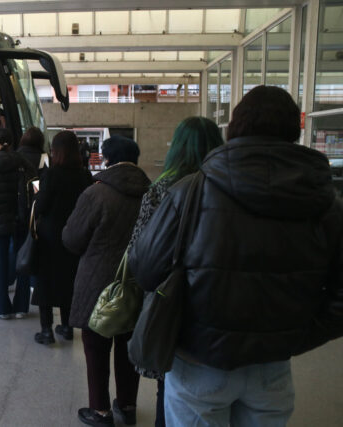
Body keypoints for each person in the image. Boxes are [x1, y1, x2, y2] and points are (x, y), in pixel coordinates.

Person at [129, 86, 343, 427]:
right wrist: (297, 337)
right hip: (272, 366)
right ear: (295, 131)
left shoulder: (190, 192)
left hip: (198, 361)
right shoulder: (327, 204)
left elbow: (144, 270)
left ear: (234, 129)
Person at [125, 116, 223, 427]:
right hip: (219, 303)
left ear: (176, 148)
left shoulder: (161, 189)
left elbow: (139, 254)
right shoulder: (229, 188)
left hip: (170, 303)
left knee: (168, 385)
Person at [63, 135, 150, 426]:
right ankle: (127, 406)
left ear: (108, 159)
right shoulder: (152, 193)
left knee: (96, 345)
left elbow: (72, 239)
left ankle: (100, 411)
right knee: (129, 345)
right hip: (137, 281)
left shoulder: (96, 193)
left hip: (97, 282)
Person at [32, 130, 92, 344]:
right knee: (69, 280)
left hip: (50, 236)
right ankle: (67, 327)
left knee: (46, 281)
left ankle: (46, 330)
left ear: (56, 151)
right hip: (75, 236)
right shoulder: (85, 176)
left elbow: (41, 206)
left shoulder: (52, 175)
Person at [0, 128, 36, 319]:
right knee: (22, 262)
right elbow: (35, 181)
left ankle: (1, 307)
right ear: (11, 143)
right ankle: (21, 307)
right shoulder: (21, 161)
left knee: (0, 262)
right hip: (20, 218)